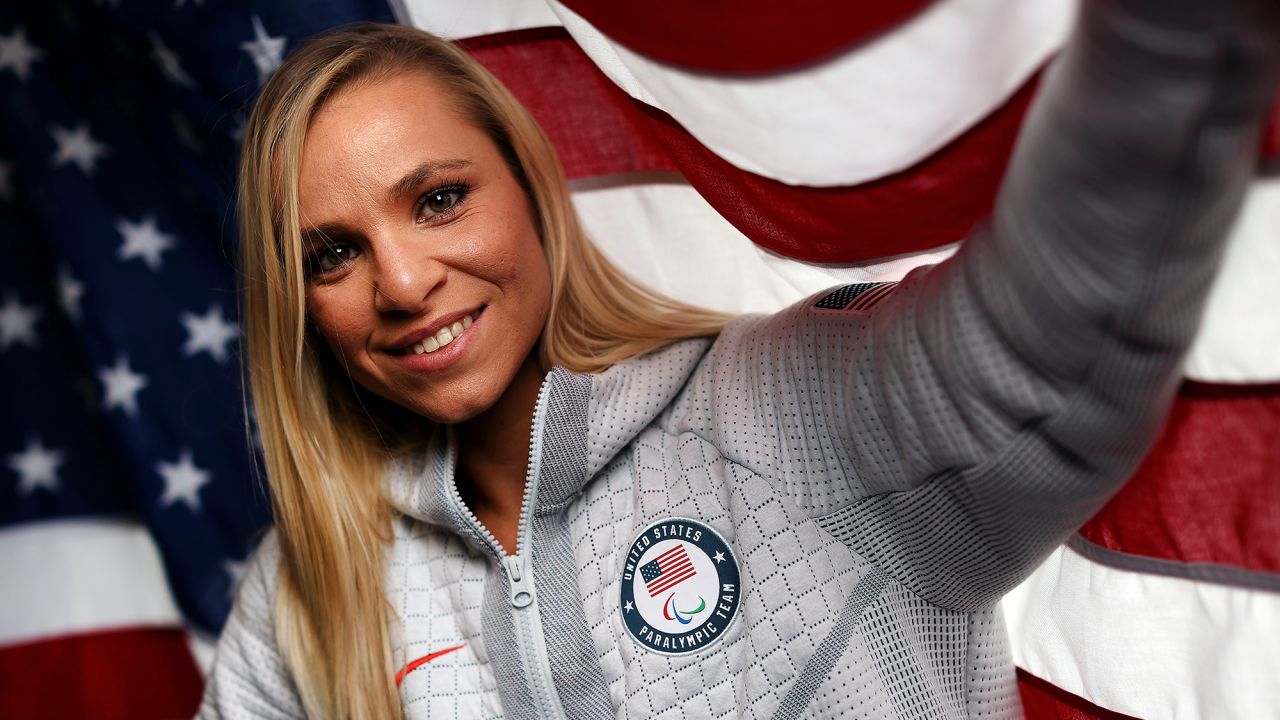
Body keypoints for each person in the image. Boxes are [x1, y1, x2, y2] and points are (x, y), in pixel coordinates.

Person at [199, 0, 1280, 717]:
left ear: (532, 194)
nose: (399, 281)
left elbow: (1053, 345)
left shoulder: (784, 410)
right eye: (332, 254)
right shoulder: (303, 592)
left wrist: (1167, 40)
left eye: (438, 200)